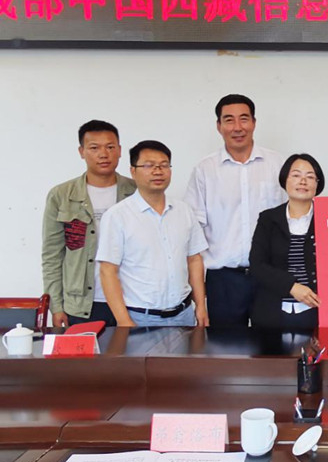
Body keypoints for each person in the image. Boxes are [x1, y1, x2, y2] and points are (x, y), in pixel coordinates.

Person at [185, 94, 287, 326]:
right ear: (219, 126)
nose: (238, 127)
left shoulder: (277, 164)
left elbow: (292, 218)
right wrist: (198, 296)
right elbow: (193, 232)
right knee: (225, 345)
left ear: (254, 122)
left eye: (244, 119)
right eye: (229, 120)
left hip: (271, 277)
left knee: (273, 344)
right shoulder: (205, 170)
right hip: (224, 280)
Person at [97, 141, 209, 327]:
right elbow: (107, 271)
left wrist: (201, 306)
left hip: (184, 315)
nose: (158, 171)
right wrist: (124, 321)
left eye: (164, 165)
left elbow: (194, 260)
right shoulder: (117, 216)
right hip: (139, 318)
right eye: (149, 165)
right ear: (133, 171)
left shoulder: (184, 211)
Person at [42, 120, 137, 327]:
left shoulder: (136, 192)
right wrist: (56, 306)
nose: (103, 154)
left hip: (132, 299)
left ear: (120, 150)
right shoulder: (61, 195)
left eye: (110, 147)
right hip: (82, 304)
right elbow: (52, 255)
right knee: (84, 350)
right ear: (81, 151)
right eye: (94, 148)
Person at [249, 153, 324, 331]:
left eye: (310, 177)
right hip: (273, 312)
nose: (303, 181)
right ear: (285, 180)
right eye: (296, 175)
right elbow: (257, 265)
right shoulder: (268, 219)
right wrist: (291, 286)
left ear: (317, 184)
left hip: (319, 312)